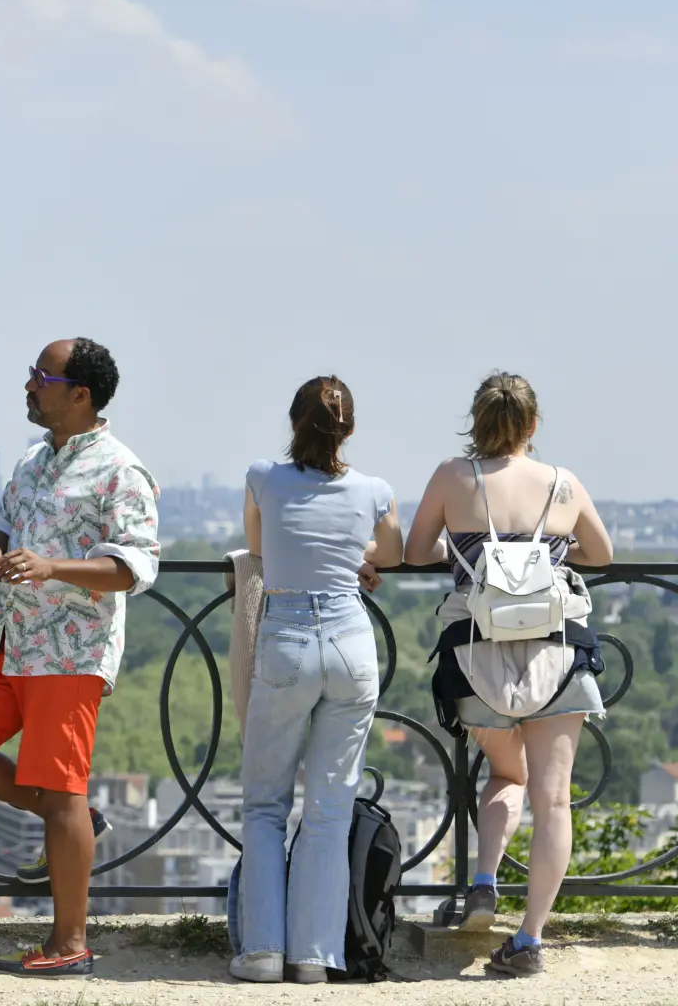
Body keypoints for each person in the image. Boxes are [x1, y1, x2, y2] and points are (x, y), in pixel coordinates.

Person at [0, 338, 159, 978]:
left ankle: (69, 946)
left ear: (80, 394)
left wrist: (52, 566)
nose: (28, 385)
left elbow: (136, 566)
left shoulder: (121, 471)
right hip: (4, 641)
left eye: (41, 377)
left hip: (70, 651)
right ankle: (75, 815)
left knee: (61, 792)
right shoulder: (32, 458)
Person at [398, 372, 612, 977]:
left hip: (478, 655)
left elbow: (416, 552)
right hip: (557, 654)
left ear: (476, 421)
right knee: (553, 799)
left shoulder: (452, 477)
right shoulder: (563, 485)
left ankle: (484, 879)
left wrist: (464, 553)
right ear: (533, 426)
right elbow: (602, 554)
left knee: (503, 773)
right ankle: (528, 940)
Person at [230, 377, 401, 984]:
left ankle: (262, 952)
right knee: (329, 808)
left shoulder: (262, 478)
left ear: (293, 422)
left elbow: (258, 550)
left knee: (265, 805)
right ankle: (314, 958)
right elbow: (394, 552)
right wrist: (362, 562)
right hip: (353, 641)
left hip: (287, 639)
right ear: (349, 427)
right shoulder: (374, 490)